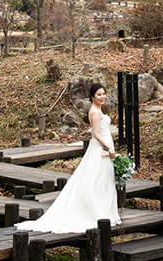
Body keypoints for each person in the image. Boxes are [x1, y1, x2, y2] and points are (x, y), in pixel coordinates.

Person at [16, 82, 121, 233]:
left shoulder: (97, 109)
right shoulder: (96, 112)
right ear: (92, 96)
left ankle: (104, 211)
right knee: (97, 179)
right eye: (99, 94)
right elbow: (96, 134)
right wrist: (109, 147)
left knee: (102, 179)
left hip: (102, 147)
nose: (102, 97)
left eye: (103, 94)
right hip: (101, 148)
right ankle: (97, 212)